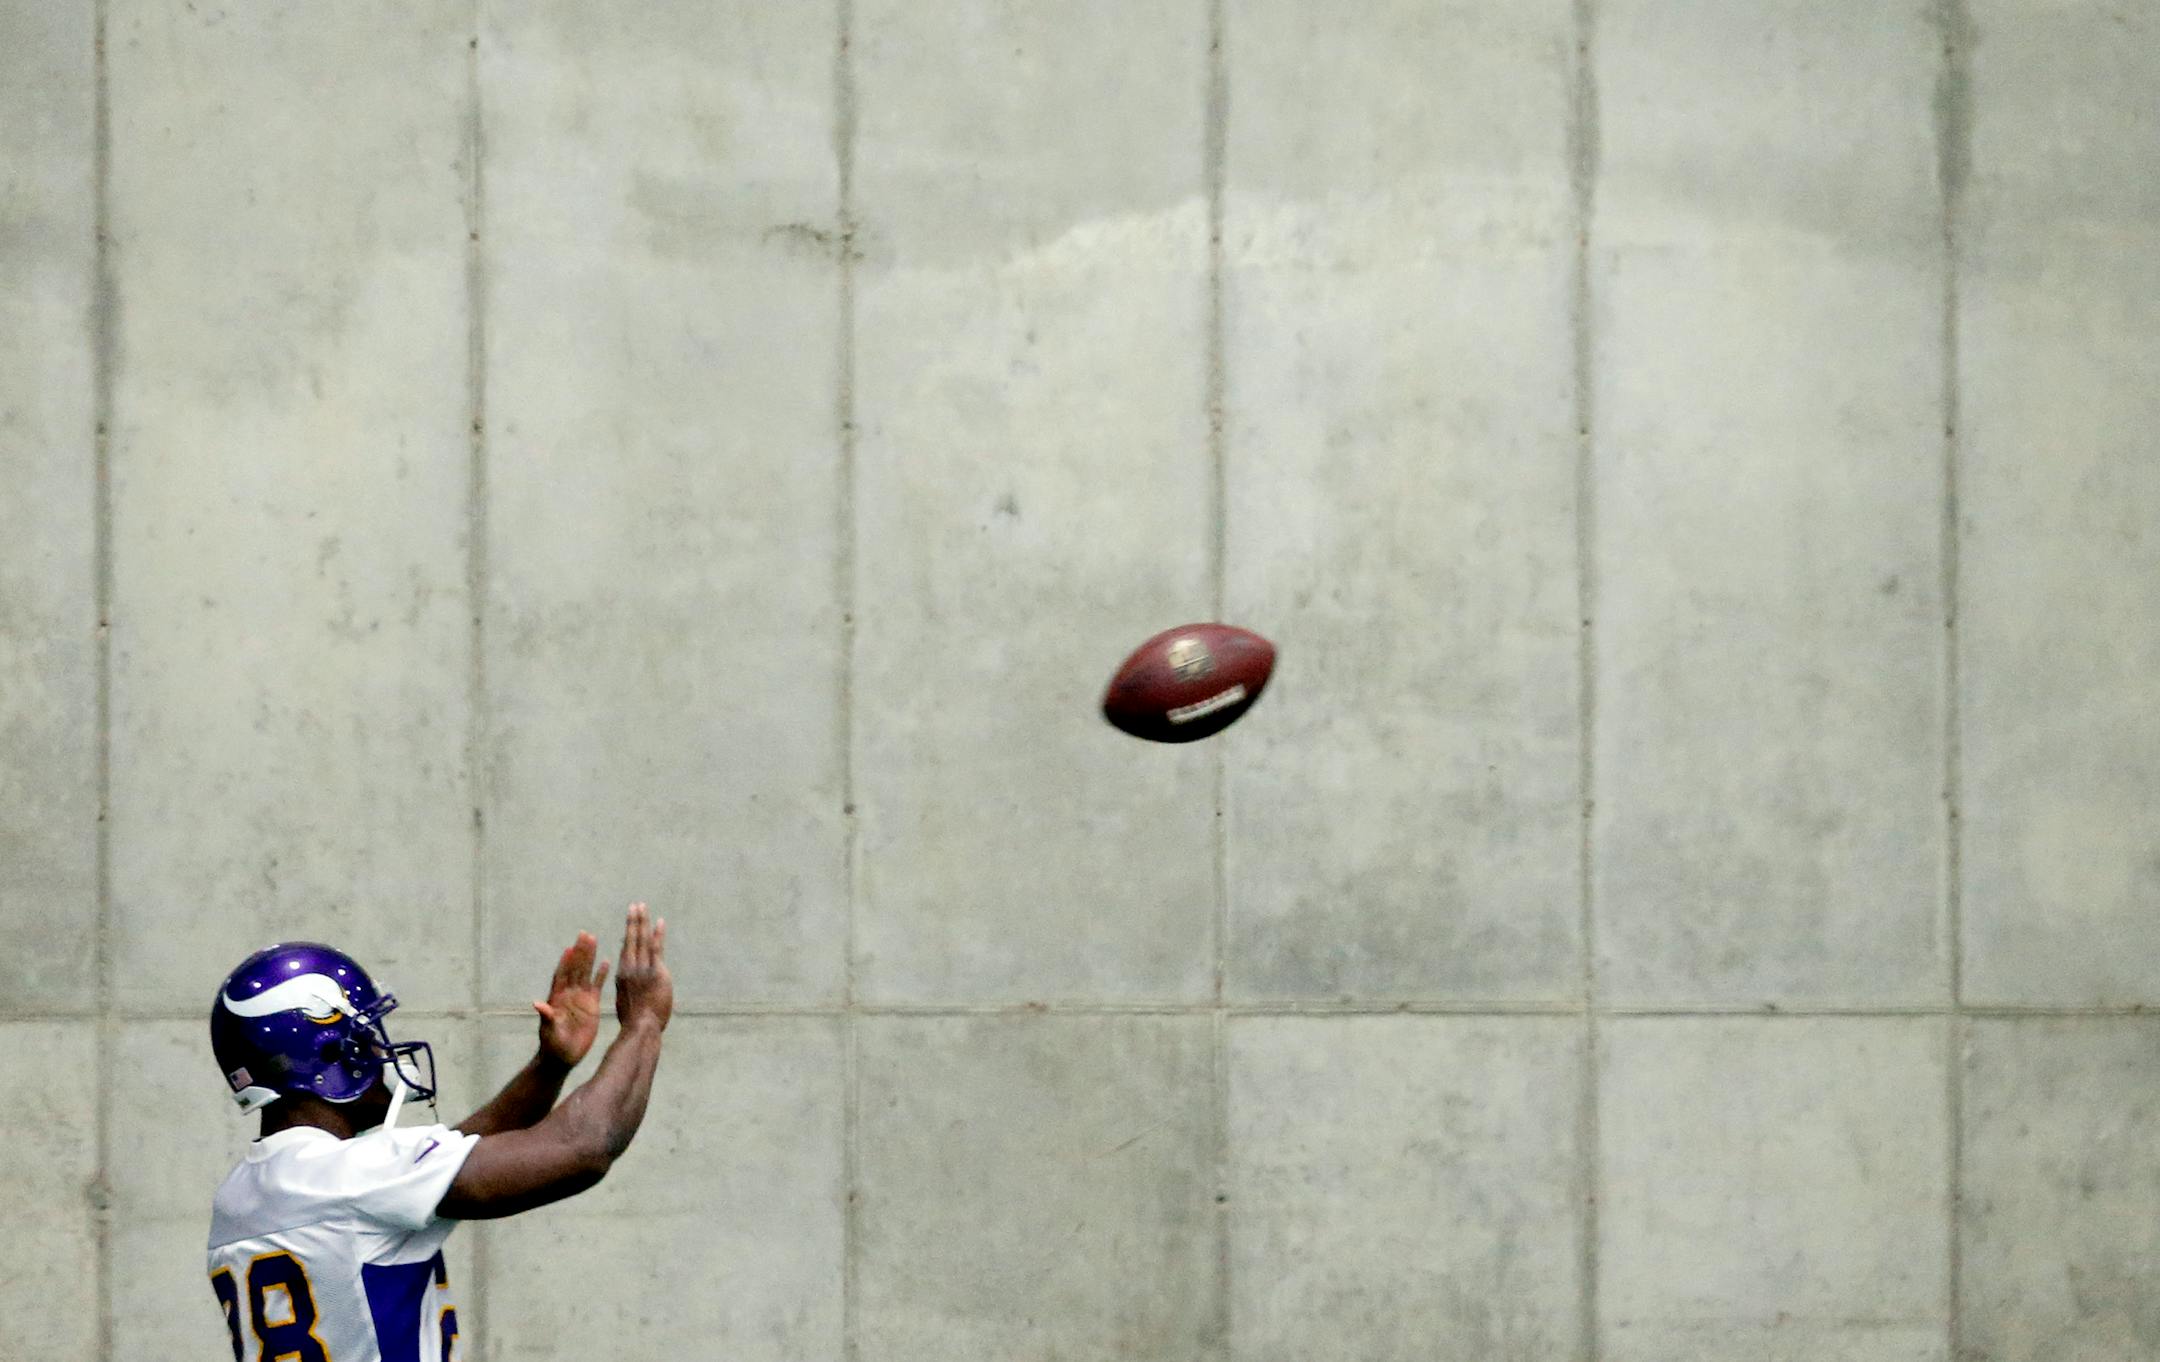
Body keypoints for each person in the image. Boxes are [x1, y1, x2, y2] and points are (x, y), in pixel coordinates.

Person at [204, 902, 672, 1361]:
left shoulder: (244, 1194)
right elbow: (584, 1148)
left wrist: (549, 1067)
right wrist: (644, 1023)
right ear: (329, 1054)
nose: (381, 1049)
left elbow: (457, 1156)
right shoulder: (355, 1177)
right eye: (367, 1033)